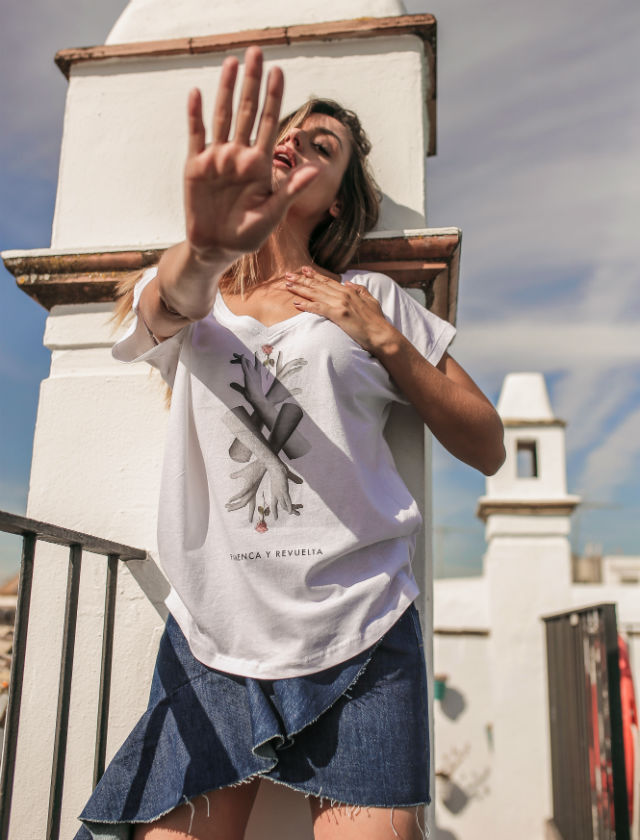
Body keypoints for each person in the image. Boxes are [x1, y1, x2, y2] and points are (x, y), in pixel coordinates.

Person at [75, 46, 505, 840]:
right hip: (215, 634)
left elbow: (487, 445)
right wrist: (206, 248)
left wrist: (384, 340)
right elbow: (165, 304)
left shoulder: (372, 298)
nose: (297, 145)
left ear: (338, 201)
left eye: (323, 147)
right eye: (290, 133)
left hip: (362, 627)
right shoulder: (198, 290)